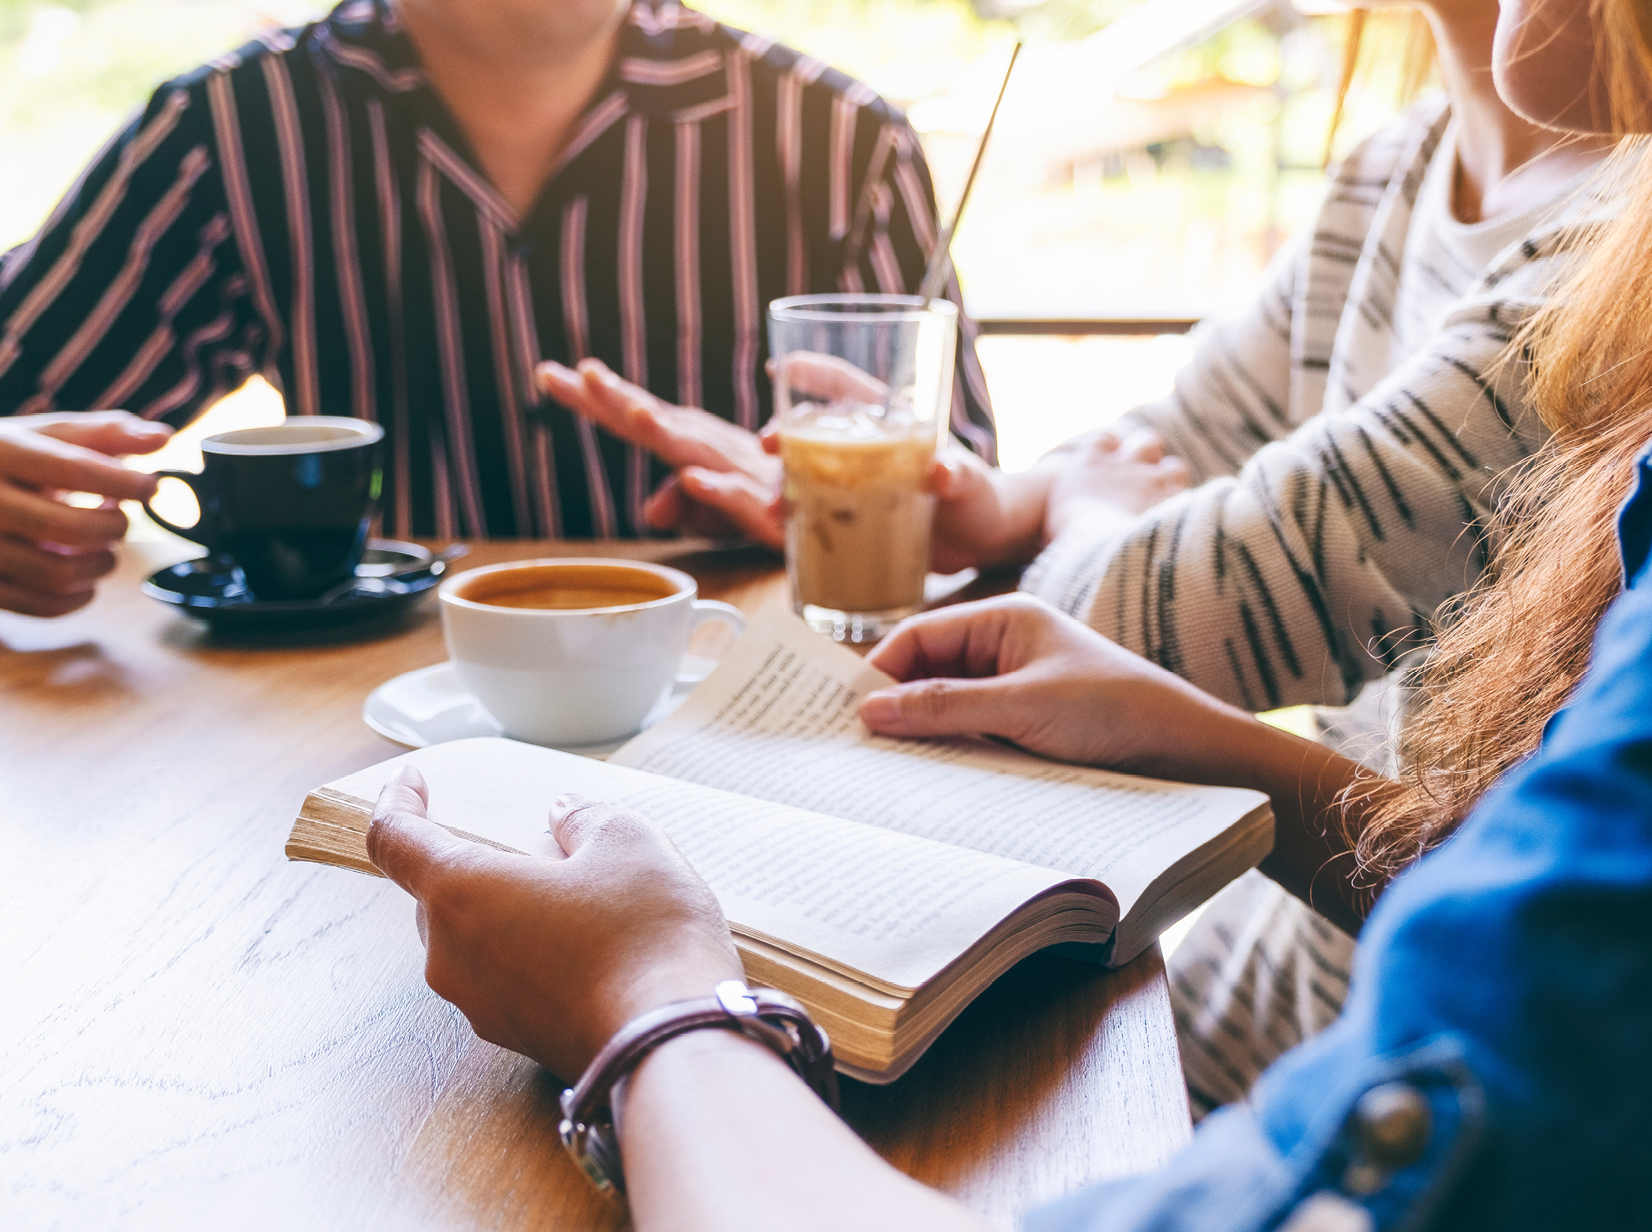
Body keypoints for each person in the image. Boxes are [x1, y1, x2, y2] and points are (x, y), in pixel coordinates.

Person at [361, 0, 1652, 1223]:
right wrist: (1023, 507)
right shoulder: (1408, 161)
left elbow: (1194, 599)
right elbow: (1175, 441)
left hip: (1333, 1033)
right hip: (1278, 968)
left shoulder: (1598, 255)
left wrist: (651, 1005)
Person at [0, 0, 995, 618]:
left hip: (745, 715)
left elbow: (965, 525)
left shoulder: (836, 140)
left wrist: (850, 516)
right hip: (382, 741)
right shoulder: (228, 131)